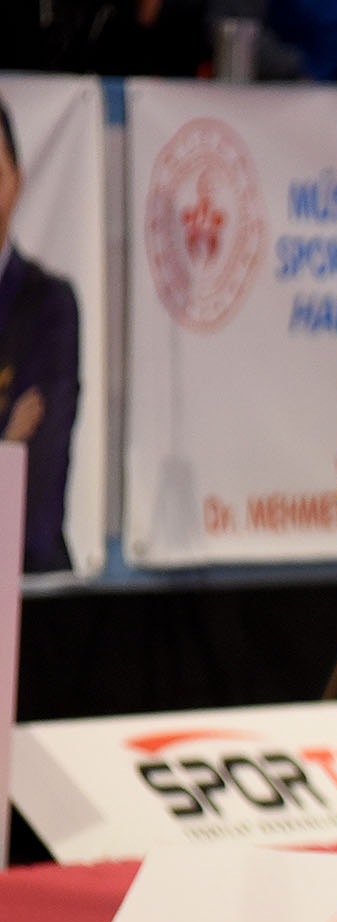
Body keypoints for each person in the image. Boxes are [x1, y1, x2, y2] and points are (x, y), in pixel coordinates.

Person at [0, 98, 80, 573]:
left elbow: (40, 462)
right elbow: (13, 442)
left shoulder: (49, 304)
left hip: (26, 573)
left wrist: (13, 444)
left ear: (17, 180)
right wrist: (6, 437)